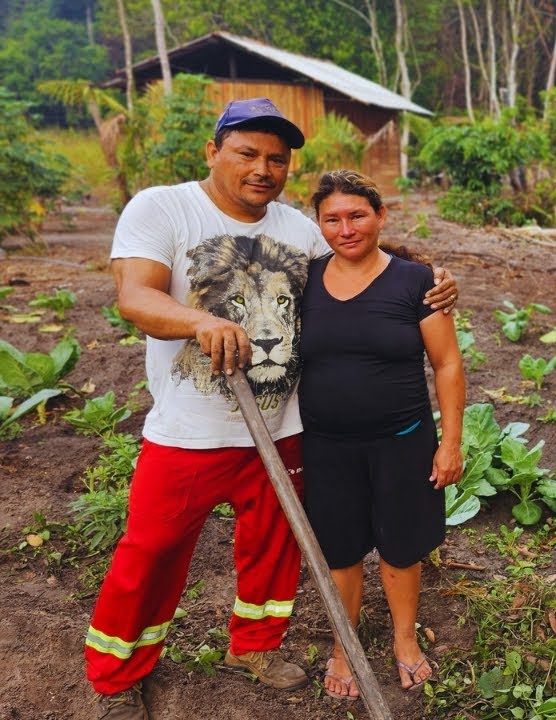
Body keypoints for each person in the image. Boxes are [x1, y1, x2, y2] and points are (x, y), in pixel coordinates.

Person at [87, 98, 459, 720]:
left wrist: (432, 278)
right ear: (213, 151)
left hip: (284, 428)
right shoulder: (163, 208)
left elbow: (357, 251)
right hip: (190, 431)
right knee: (150, 551)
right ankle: (116, 676)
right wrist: (201, 320)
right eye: (247, 153)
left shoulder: (295, 227)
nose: (263, 168)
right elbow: (134, 296)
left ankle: (254, 646)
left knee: (274, 549)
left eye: (276, 159)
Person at [297, 170, 464, 700]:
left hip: (403, 439)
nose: (346, 228)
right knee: (341, 552)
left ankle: (404, 639)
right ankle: (344, 645)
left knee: (400, 547)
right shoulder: (304, 280)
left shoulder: (416, 282)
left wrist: (450, 440)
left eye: (357, 215)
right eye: (332, 218)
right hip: (326, 444)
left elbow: (447, 364)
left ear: (380, 215)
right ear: (319, 224)